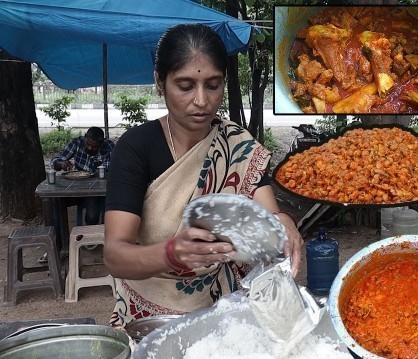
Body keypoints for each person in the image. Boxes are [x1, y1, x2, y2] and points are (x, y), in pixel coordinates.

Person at [103, 23, 303, 327]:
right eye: (185, 86)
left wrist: (285, 223)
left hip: (222, 308)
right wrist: (171, 253)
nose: (201, 101)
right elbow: (115, 255)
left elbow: (269, 212)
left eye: (213, 85)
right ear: (160, 82)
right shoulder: (137, 147)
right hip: (150, 317)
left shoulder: (235, 144)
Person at [51, 126, 114, 225]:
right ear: (85, 138)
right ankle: (59, 237)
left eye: (94, 147)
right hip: (77, 187)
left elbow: (110, 171)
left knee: (92, 213)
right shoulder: (77, 142)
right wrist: (61, 164)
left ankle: (90, 235)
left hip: (97, 190)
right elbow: (57, 159)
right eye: (88, 144)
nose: (89, 148)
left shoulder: (109, 147)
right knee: (54, 200)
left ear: (101, 144)